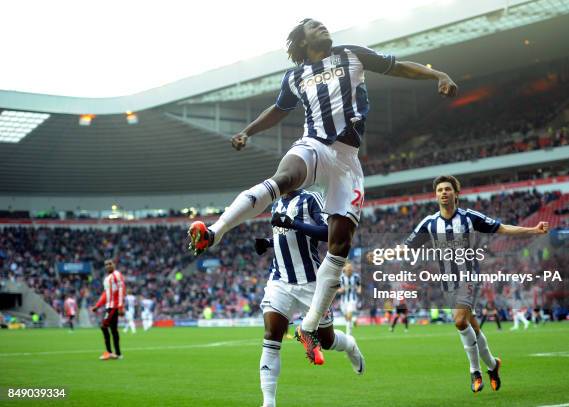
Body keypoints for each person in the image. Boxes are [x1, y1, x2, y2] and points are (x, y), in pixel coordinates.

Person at [188, 18, 457, 363]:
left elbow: (398, 67)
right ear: (302, 41)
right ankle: (215, 230)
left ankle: (310, 325)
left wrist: (438, 75)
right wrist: (248, 132)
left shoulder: (352, 55)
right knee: (284, 177)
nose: (323, 28)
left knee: (340, 243)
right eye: (314, 26)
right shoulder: (295, 77)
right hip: (314, 145)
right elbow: (278, 109)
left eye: (322, 25)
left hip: (348, 162)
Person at [404, 175, 548, 393]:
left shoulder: (469, 218)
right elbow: (407, 246)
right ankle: (492, 364)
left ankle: (474, 371)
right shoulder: (429, 223)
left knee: (460, 321)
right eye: (439, 190)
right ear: (436, 196)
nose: (443, 192)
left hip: (468, 277)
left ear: (456, 193)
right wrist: (382, 255)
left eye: (447, 189)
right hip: (447, 282)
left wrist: (534, 230)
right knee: (472, 326)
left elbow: (502, 228)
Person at [256, 189, 364, 407]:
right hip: (280, 280)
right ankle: (268, 403)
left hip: (312, 282)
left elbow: (329, 233)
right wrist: (268, 243)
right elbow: (285, 236)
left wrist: (293, 223)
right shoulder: (276, 204)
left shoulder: (310, 198)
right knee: (271, 335)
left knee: (327, 340)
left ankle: (350, 345)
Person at [92, 259, 125, 361]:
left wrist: (120, 307)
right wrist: (97, 305)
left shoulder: (117, 275)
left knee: (103, 326)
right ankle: (118, 354)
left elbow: (121, 290)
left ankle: (109, 352)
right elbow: (106, 294)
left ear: (114, 265)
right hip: (109, 306)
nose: (108, 266)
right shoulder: (106, 279)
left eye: (110, 264)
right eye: (106, 264)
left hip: (114, 306)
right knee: (113, 330)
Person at [338, 262, 361, 335]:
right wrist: (340, 290)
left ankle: (349, 335)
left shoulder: (356, 277)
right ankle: (354, 320)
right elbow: (337, 288)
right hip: (343, 300)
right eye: (348, 268)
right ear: (345, 269)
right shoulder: (341, 278)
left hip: (353, 299)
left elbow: (359, 285)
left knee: (349, 314)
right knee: (346, 317)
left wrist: (359, 289)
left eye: (350, 268)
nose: (349, 269)